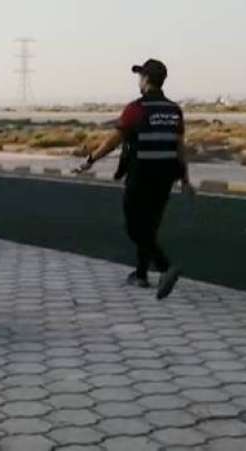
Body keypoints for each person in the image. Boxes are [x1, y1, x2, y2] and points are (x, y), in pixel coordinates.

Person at [75, 59, 191, 300]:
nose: (139, 80)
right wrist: (185, 179)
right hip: (166, 176)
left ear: (146, 79)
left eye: (140, 76)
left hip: (141, 174)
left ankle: (165, 266)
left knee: (134, 227)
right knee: (150, 226)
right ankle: (141, 275)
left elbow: (113, 141)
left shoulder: (136, 109)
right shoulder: (174, 110)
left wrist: (91, 159)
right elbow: (180, 147)